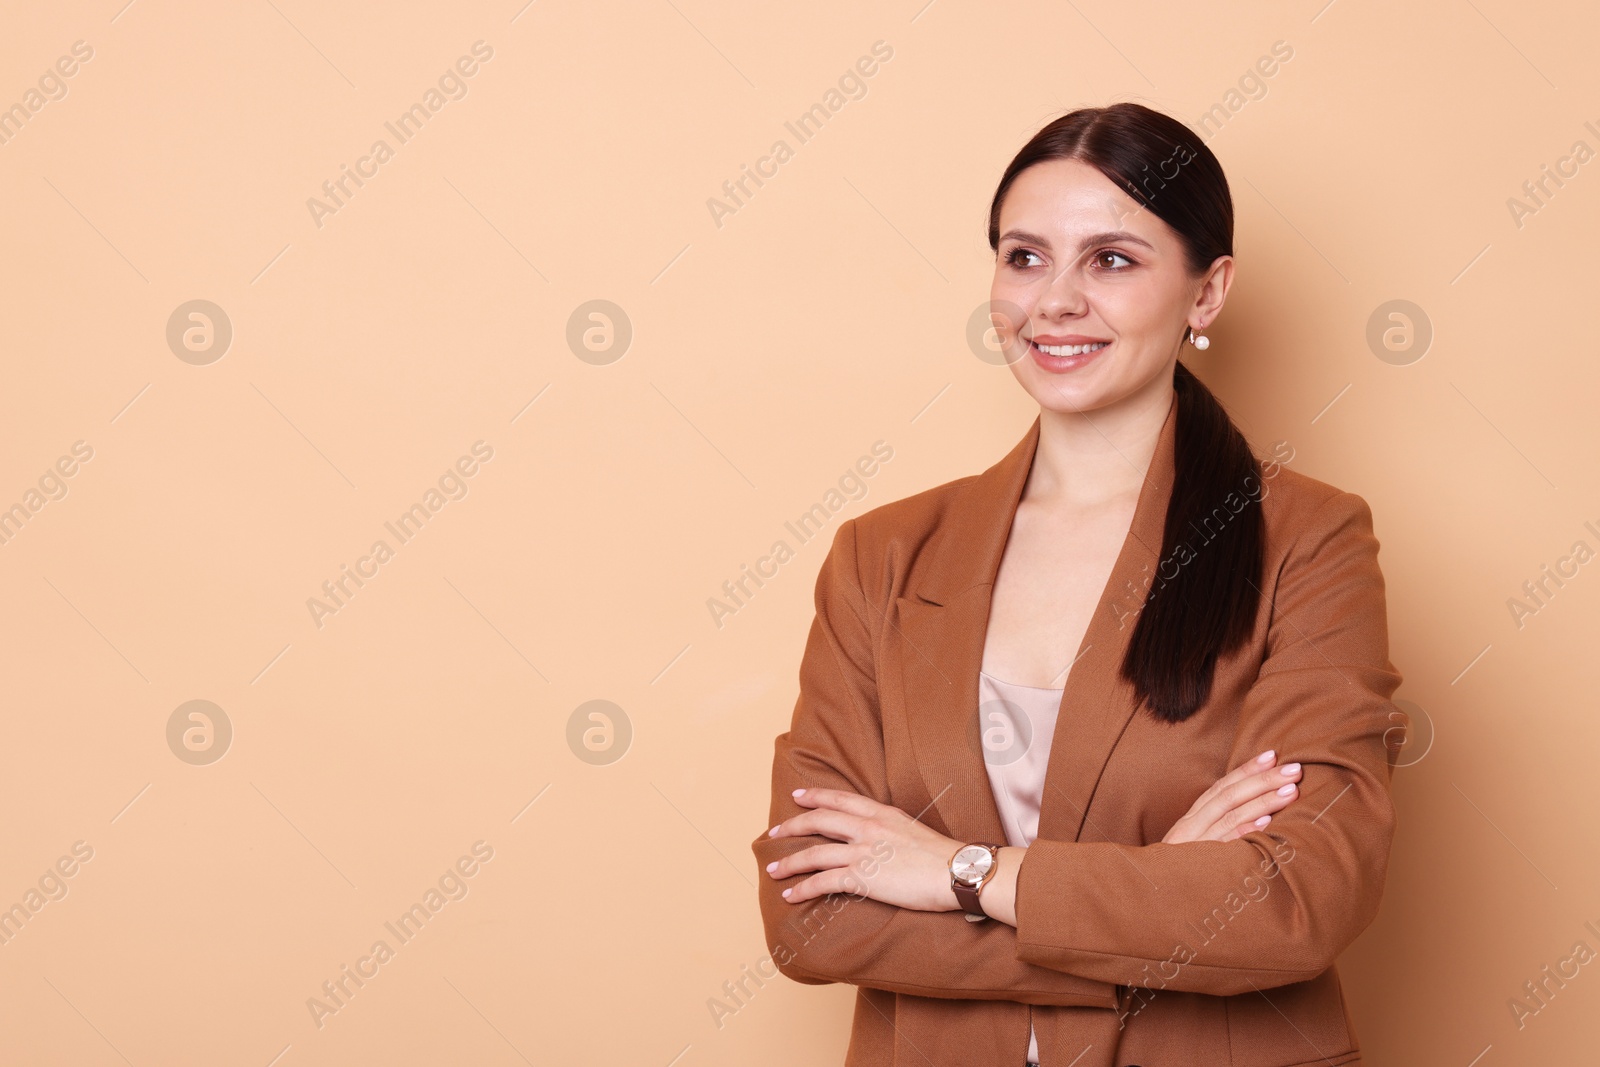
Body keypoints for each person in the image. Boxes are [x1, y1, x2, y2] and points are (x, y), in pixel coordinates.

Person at [750, 102, 1402, 1067]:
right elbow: (812, 919)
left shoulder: (1309, 540)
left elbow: (1290, 903)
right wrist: (1158, 896)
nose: (1053, 300)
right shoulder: (880, 555)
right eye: (1024, 257)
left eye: (1112, 259)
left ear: (1207, 292)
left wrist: (958, 874)